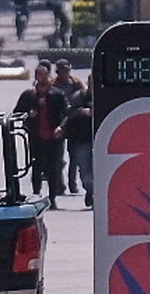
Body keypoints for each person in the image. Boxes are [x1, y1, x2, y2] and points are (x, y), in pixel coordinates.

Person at [18, 61, 68, 208]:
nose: (43, 78)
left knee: (54, 168)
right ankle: (36, 195)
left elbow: (67, 113)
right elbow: (17, 113)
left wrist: (61, 127)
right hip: (36, 136)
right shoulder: (29, 95)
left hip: (54, 137)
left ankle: (52, 197)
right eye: (40, 75)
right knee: (37, 166)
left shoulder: (57, 94)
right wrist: (28, 115)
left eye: (45, 74)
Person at [54, 59, 85, 194]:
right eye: (62, 70)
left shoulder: (77, 84)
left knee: (74, 156)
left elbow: (83, 99)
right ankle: (60, 184)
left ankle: (73, 183)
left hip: (73, 124)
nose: (64, 73)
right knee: (58, 157)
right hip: (58, 123)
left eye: (66, 70)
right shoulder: (53, 85)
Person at [66, 76, 95, 207]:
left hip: (100, 140)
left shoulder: (104, 97)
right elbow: (69, 113)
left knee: (100, 171)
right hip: (82, 139)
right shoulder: (78, 96)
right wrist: (82, 112)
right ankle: (91, 191)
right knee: (85, 173)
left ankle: (96, 195)